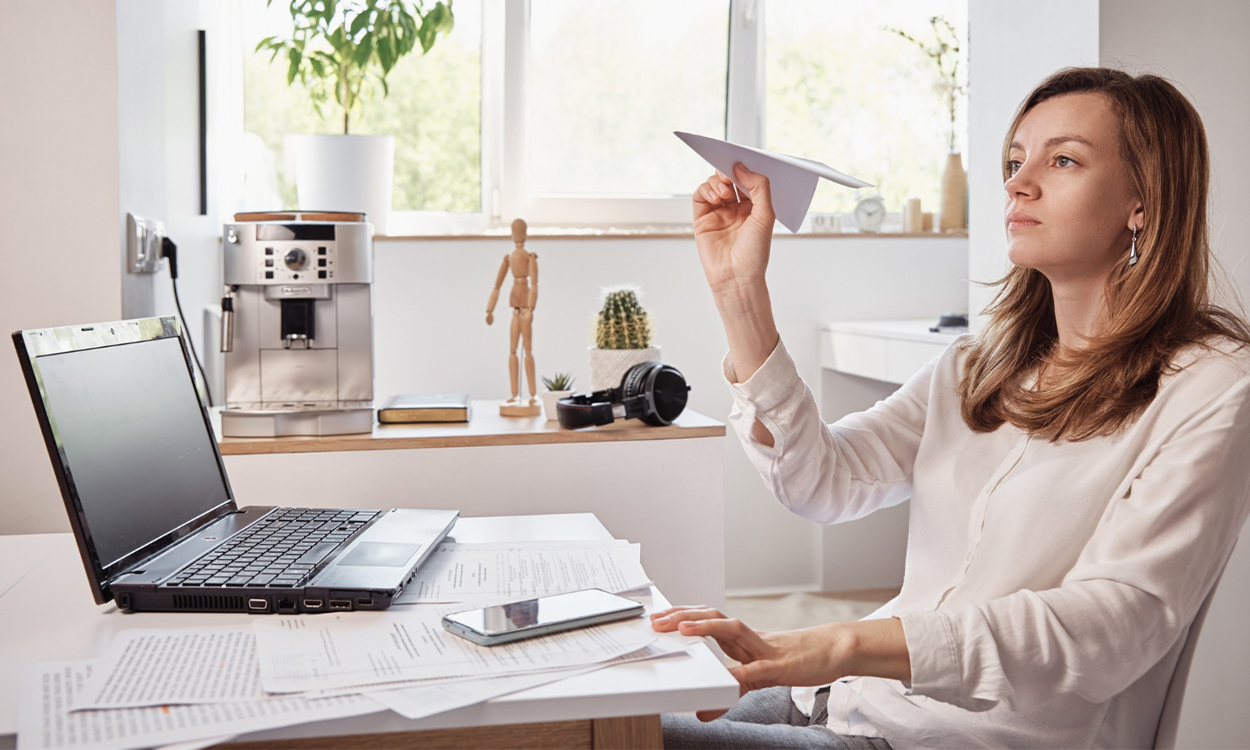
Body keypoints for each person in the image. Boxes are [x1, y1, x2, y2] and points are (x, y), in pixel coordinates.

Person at [653, 66, 1250, 749]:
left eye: (1063, 160)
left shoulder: (1208, 386)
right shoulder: (978, 366)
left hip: (944, 737)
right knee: (604, 721)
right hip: (845, 701)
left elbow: (1108, 627)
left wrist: (843, 642)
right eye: (1015, 160)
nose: (1020, 183)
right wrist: (739, 289)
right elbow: (821, 480)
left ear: (1142, 201)